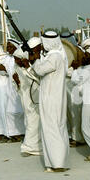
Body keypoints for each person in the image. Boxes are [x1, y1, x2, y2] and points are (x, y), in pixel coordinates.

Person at [32, 31, 70, 172]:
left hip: (51, 98)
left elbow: (40, 70)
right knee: (57, 127)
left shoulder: (54, 57)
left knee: (52, 128)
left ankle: (57, 163)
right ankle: (56, 162)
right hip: (54, 97)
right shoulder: (57, 56)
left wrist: (35, 59)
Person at [13, 38, 41, 156]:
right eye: (15, 60)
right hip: (26, 98)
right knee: (30, 121)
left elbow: (38, 78)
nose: (17, 61)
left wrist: (28, 67)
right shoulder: (17, 68)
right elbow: (18, 85)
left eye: (18, 59)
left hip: (36, 97)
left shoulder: (33, 64)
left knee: (34, 121)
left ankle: (29, 147)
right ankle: (31, 146)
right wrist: (17, 83)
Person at [4, 39, 26, 141]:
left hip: (21, 88)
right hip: (10, 88)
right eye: (7, 47)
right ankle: (13, 133)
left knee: (22, 111)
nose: (8, 49)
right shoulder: (7, 59)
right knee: (10, 111)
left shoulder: (21, 57)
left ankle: (22, 133)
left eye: (10, 46)